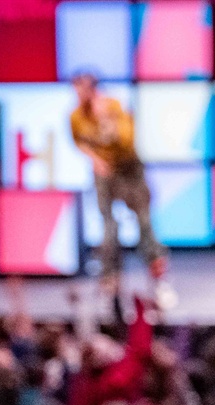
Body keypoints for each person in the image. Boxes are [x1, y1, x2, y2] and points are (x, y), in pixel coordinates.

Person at [69, 72, 174, 308]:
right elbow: (79, 141)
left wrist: (108, 124)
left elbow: (127, 140)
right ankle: (110, 280)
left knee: (145, 224)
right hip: (105, 174)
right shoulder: (76, 116)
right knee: (108, 226)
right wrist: (95, 159)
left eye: (81, 88)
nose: (77, 94)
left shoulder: (113, 106)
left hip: (129, 170)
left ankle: (159, 280)